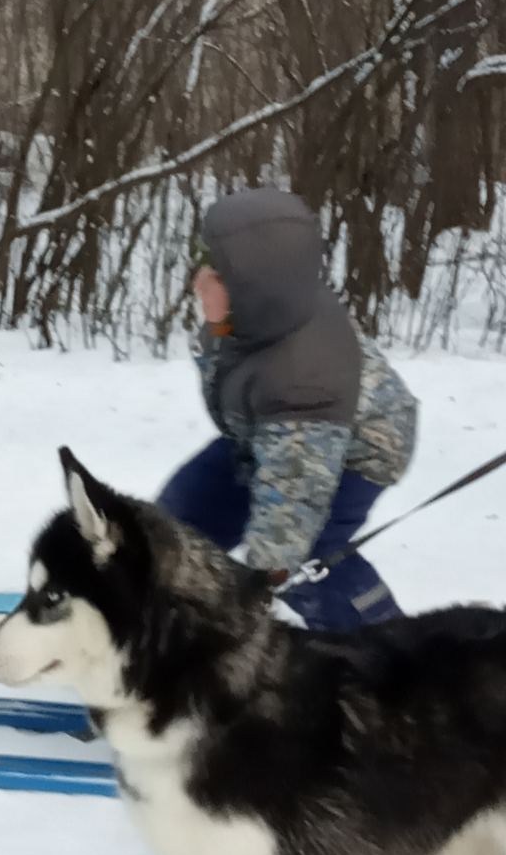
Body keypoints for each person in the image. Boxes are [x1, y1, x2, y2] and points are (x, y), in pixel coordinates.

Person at [157, 185, 417, 631]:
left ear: (251, 288)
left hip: (360, 447)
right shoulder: (256, 316)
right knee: (178, 524)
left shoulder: (302, 378)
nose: (197, 282)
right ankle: (166, 624)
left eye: (214, 275)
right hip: (266, 432)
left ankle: (390, 657)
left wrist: (263, 579)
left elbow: (290, 509)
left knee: (307, 561)